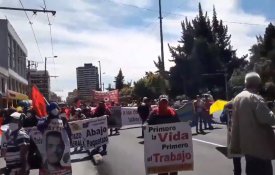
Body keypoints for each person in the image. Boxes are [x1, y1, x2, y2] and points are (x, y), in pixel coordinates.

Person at [230, 72, 275, 175]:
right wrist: (271, 111)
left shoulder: (238, 97)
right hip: (260, 148)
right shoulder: (254, 98)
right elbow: (268, 119)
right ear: (258, 84)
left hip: (246, 146)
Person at [147, 95, 180, 175]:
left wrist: (185, 126)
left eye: (165, 102)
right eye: (162, 102)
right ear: (159, 102)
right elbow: (148, 122)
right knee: (162, 168)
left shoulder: (173, 112)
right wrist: (145, 126)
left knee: (173, 167)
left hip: (172, 144)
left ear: (167, 103)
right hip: (159, 145)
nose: (164, 104)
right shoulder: (154, 113)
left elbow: (179, 124)